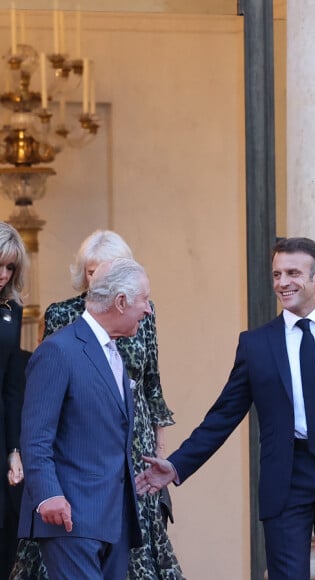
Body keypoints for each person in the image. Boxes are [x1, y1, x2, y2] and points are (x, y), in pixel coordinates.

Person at [136, 237, 315, 580]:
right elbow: (223, 415)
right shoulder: (256, 344)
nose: (282, 282)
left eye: (292, 273)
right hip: (287, 473)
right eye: (277, 274)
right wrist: (177, 465)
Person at [11, 230, 182, 580]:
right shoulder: (58, 350)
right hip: (70, 515)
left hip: (114, 518)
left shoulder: (115, 352)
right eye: (143, 301)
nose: (148, 310)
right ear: (120, 302)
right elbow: (36, 436)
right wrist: (48, 496)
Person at [0, 223, 27, 580]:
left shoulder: (11, 311)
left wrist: (14, 451)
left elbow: (11, 387)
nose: (3, 275)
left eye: (10, 268)